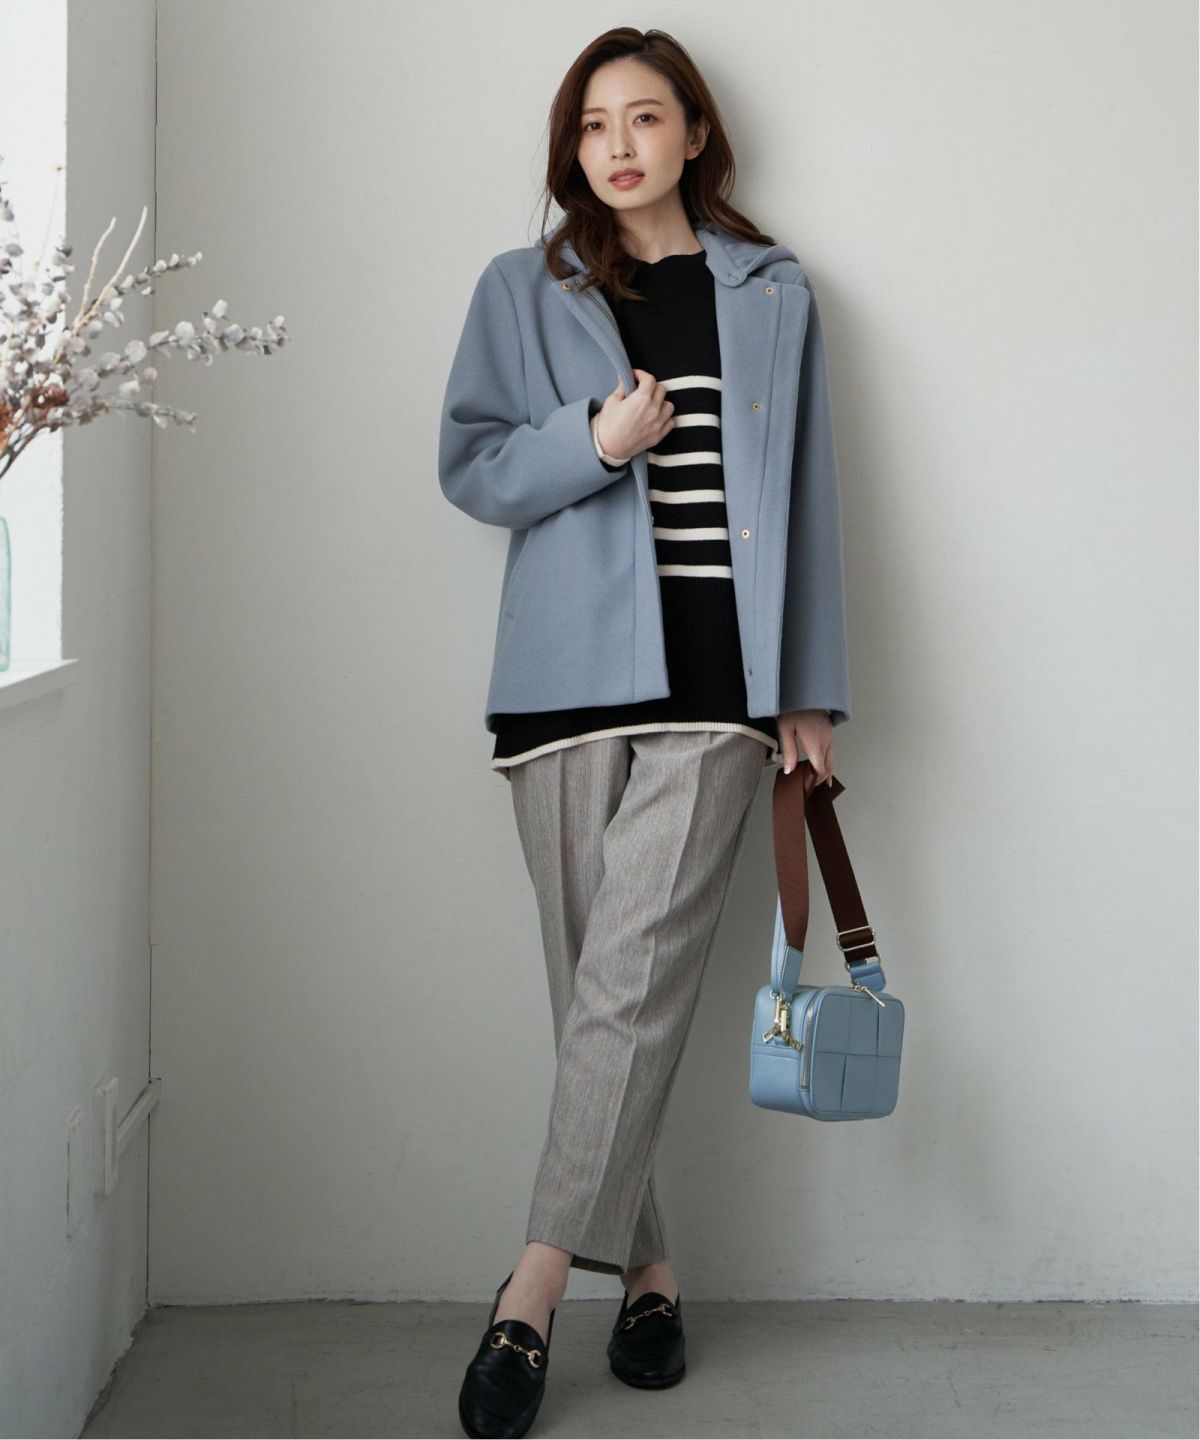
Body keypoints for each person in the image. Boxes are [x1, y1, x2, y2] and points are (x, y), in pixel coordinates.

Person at [438, 26, 851, 1439]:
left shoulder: (776, 293)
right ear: (574, 150)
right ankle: (654, 1277)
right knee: (604, 1004)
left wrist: (808, 686)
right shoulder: (521, 289)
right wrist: (594, 444)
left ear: (694, 133)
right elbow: (472, 467)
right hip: (558, 691)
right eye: (592, 125)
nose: (617, 145)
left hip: (718, 693)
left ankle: (531, 1294)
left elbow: (810, 502)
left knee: (627, 987)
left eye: (645, 117)